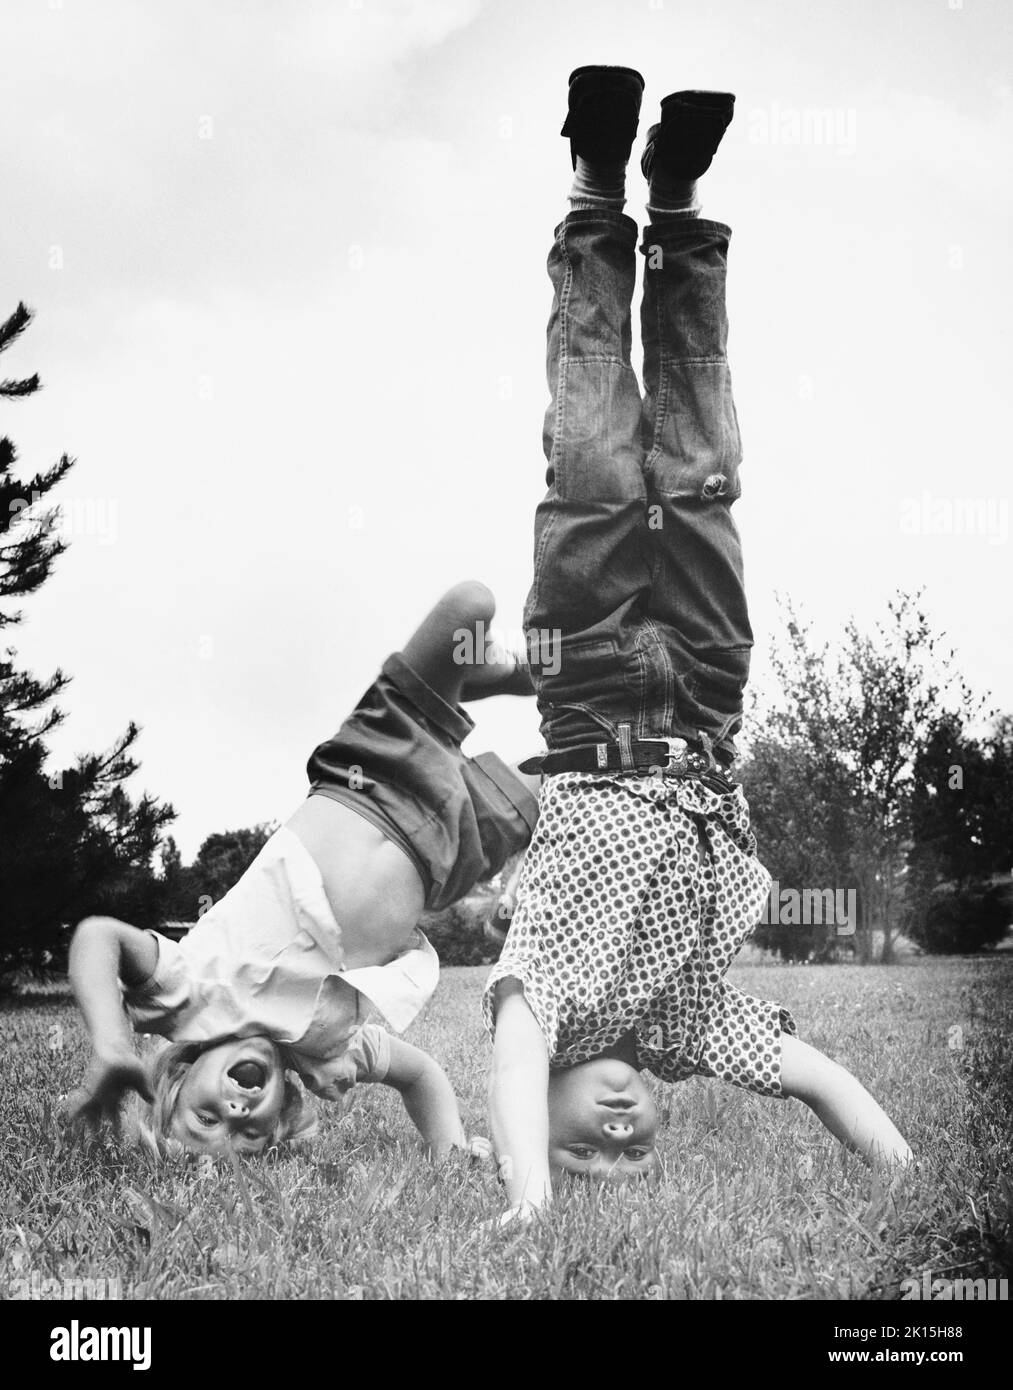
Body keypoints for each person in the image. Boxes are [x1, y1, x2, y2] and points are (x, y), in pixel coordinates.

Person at [483, 66, 912, 1221]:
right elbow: (815, 1076)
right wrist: (911, 1181)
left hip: (591, 684)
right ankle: (672, 202)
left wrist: (529, 1194)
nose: (614, 1131)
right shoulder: (688, 1028)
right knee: (699, 464)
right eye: (632, 1156)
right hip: (709, 696)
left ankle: (592, 184)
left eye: (583, 1151)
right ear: (673, 1105)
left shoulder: (543, 994)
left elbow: (512, 1052)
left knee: (591, 447)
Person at [68, 581, 539, 1158]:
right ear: (279, 1123)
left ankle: (486, 671)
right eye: (247, 1133)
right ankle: (553, 676)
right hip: (450, 852)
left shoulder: (190, 996)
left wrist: (112, 1044)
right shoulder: (327, 1052)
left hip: (371, 775)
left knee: (470, 606)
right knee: (577, 767)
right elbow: (420, 1075)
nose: (236, 1112)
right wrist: (449, 1149)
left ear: (179, 1078)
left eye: (205, 1116)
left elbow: (98, 937)